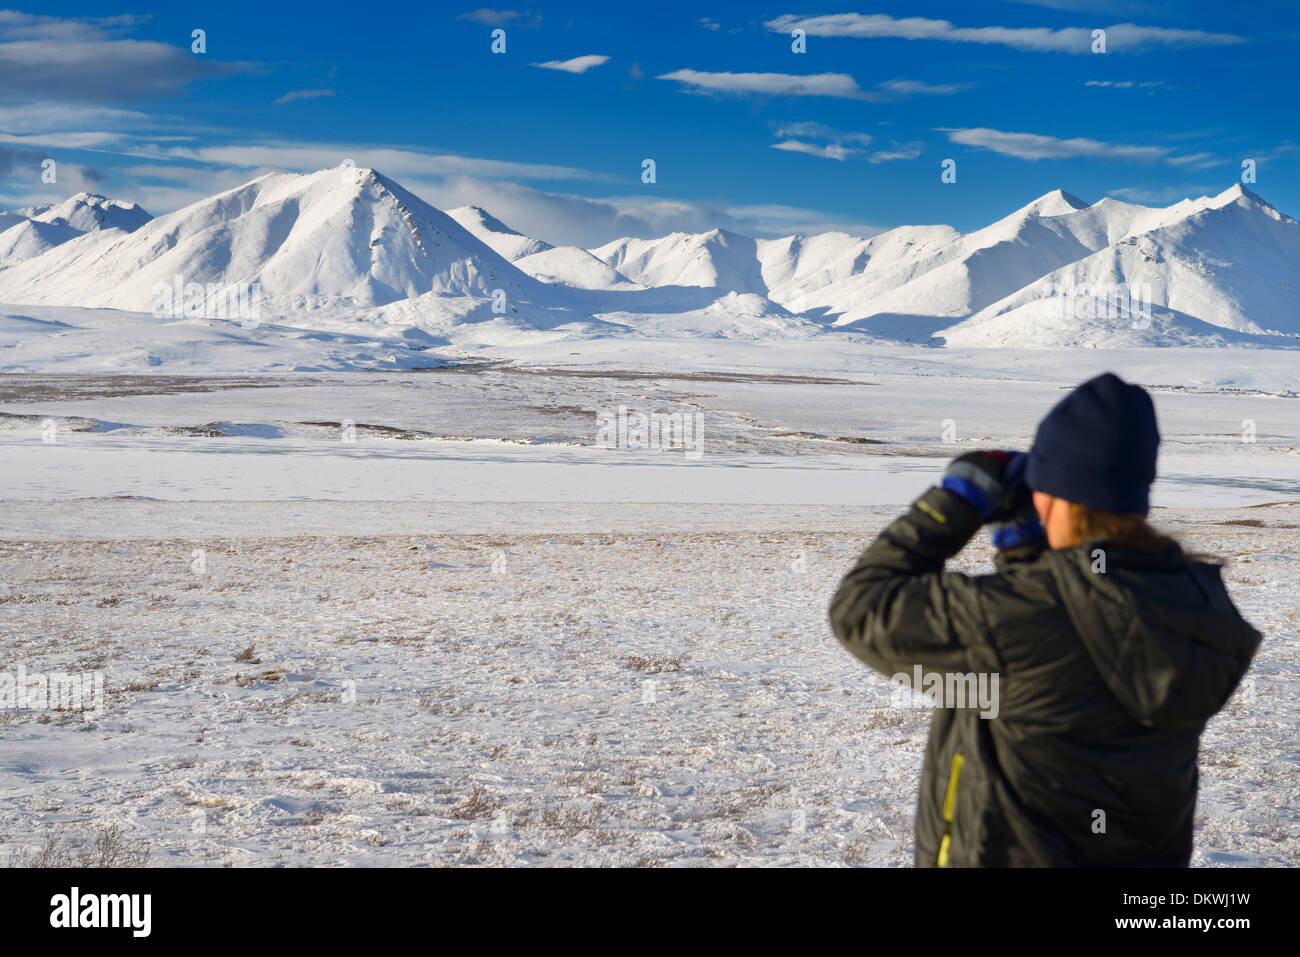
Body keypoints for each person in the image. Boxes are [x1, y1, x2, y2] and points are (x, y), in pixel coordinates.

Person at [829, 372, 1261, 867]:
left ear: (1053, 493)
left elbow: (861, 608)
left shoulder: (1021, 618)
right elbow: (1076, 620)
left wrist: (956, 503)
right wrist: (1032, 553)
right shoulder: (1192, 605)